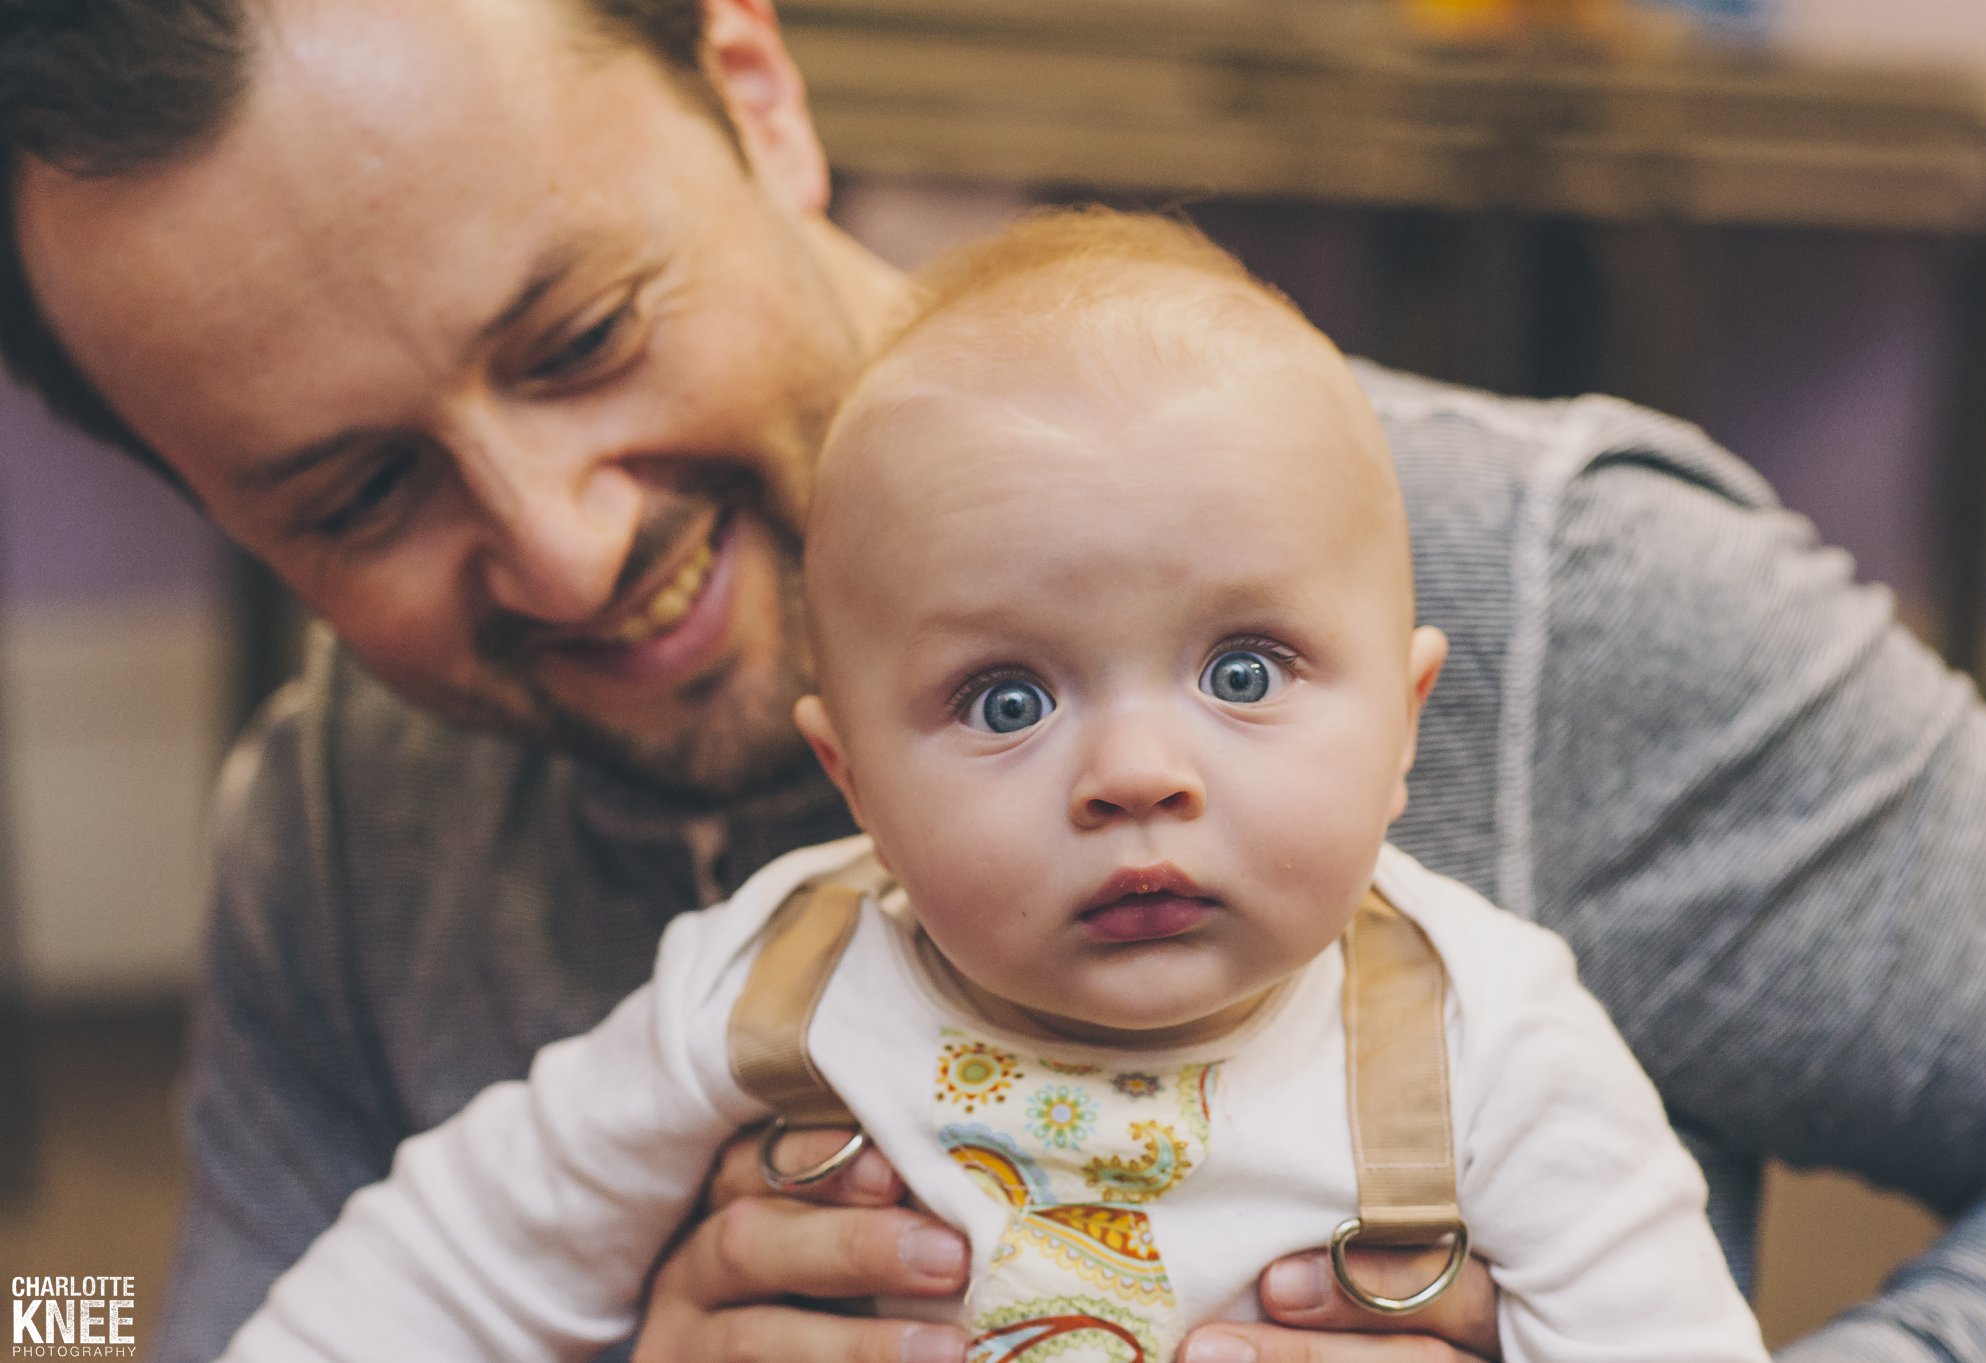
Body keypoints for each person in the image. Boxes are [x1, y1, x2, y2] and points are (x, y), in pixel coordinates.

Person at [2, 0, 1986, 1361]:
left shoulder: (1567, 602)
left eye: (580, 332)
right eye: (355, 492)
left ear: (756, 89)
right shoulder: (347, 824)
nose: (562, 542)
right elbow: (175, 1325)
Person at [222, 209, 1769, 1363]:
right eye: (1007, 700)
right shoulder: (773, 987)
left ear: (1407, 719)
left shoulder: (1485, 1037)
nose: (1138, 776)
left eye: (1243, 674)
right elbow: (454, 1264)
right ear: (856, 784)